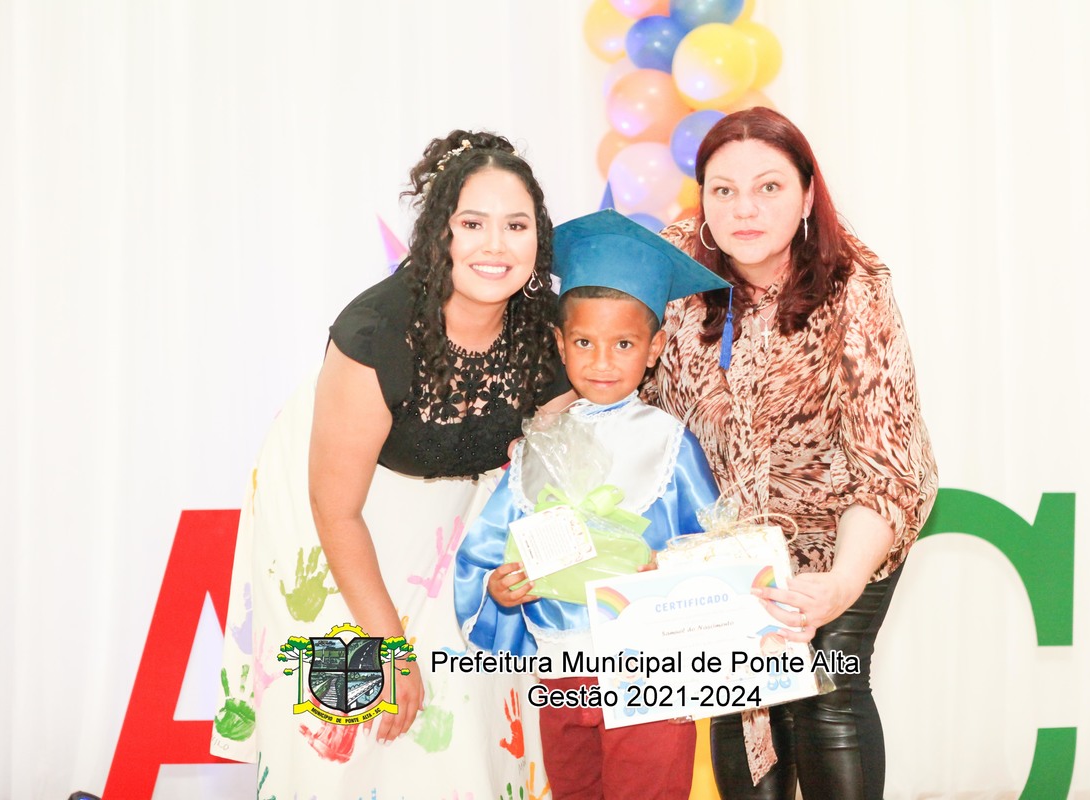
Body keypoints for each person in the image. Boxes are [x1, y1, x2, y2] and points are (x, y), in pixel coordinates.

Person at [211, 129, 573, 799]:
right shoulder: (377, 331)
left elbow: (555, 478)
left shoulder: (547, 330)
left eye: (516, 225)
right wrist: (390, 650)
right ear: (440, 234)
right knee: (346, 728)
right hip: (332, 518)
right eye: (473, 224)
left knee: (462, 732)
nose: (496, 246)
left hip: (459, 522)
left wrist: (541, 562)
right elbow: (335, 508)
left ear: (538, 237)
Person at [644, 107, 938, 800]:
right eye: (723, 190)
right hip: (729, 538)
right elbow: (618, 370)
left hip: (846, 527)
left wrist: (841, 581)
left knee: (829, 687)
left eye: (769, 187)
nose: (744, 209)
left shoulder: (855, 288)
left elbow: (884, 467)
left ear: (807, 196)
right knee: (740, 695)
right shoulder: (670, 268)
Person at [454, 209, 726, 800]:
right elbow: (489, 551)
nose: (602, 362)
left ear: (654, 348)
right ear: (560, 344)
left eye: (623, 344)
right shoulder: (539, 444)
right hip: (562, 671)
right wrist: (499, 587)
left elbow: (714, 546)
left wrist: (671, 571)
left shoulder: (670, 444)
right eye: (584, 342)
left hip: (649, 671)